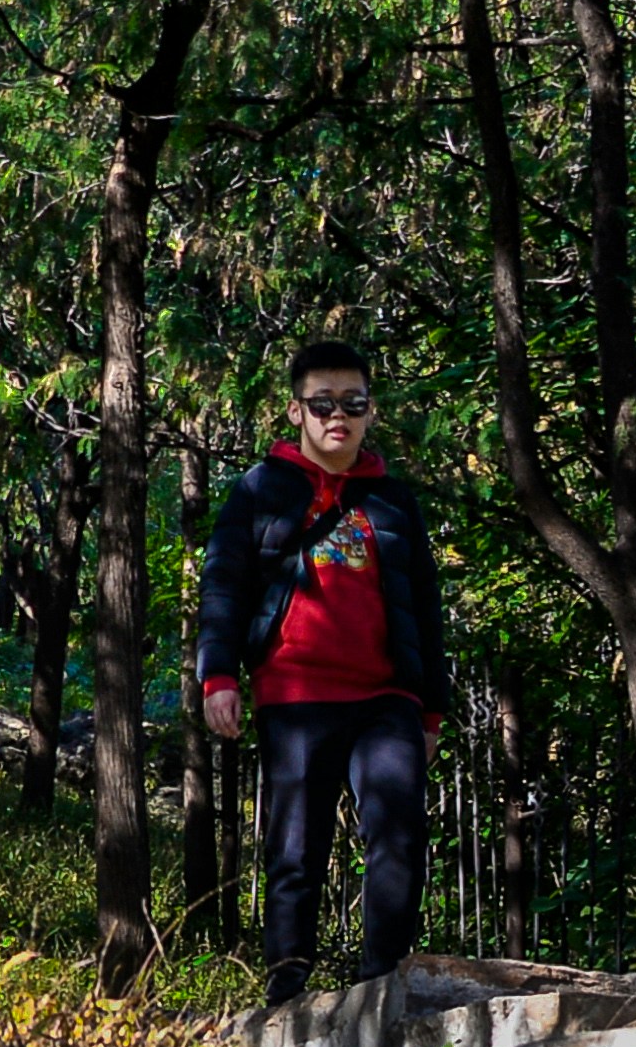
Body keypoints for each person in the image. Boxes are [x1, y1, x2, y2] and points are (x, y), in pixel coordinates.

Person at [190, 336, 454, 1012]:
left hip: (385, 695)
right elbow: (224, 584)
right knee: (296, 846)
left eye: (354, 402)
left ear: (370, 410)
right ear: (295, 411)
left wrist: (430, 708)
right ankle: (288, 986)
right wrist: (218, 675)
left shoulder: (393, 499)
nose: (339, 416)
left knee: (398, 830)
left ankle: (382, 981)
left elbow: (424, 604)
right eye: (323, 403)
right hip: (295, 693)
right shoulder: (261, 489)